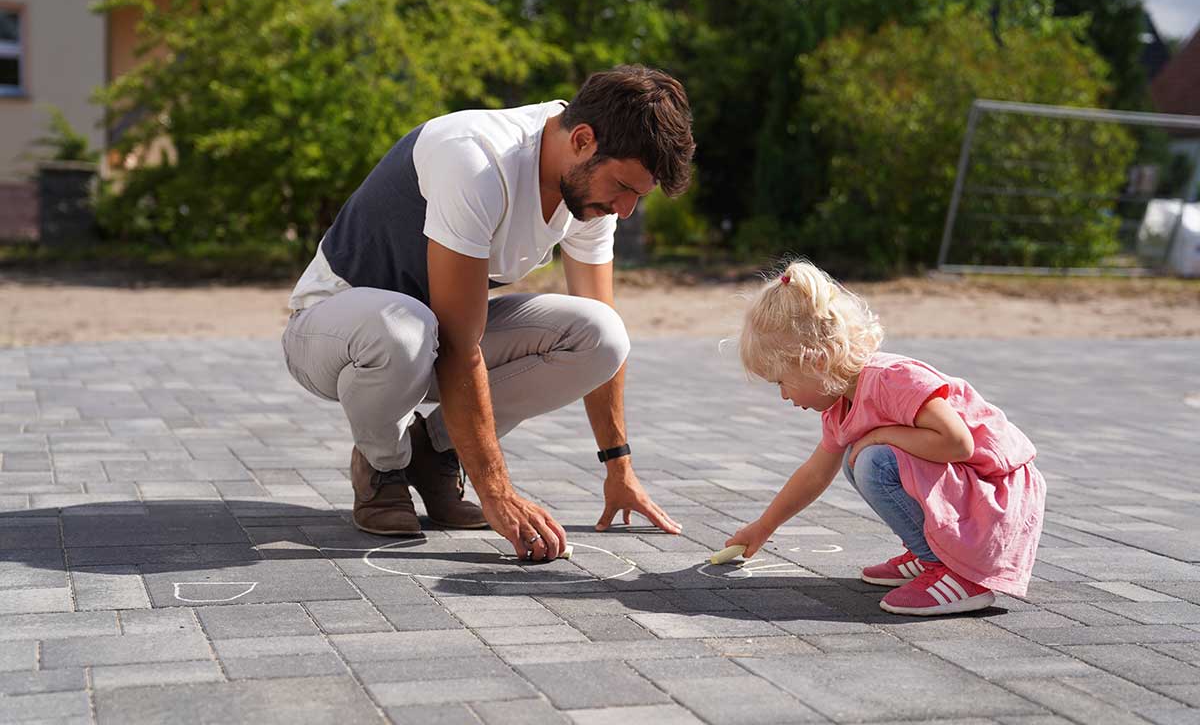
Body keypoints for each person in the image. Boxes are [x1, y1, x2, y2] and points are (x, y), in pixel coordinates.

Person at [281, 65, 693, 560]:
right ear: (583, 140)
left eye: (638, 197)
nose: (625, 210)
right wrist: (496, 491)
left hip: (428, 340)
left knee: (602, 335)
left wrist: (618, 467)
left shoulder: (586, 193)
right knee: (405, 330)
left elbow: (595, 328)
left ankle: (434, 454)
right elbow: (459, 344)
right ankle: (381, 465)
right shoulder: (475, 159)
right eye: (624, 188)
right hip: (332, 332)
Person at [725, 260, 1045, 615]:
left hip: (996, 495)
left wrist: (881, 433)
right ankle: (931, 555)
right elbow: (814, 474)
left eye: (782, 381)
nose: (784, 395)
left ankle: (957, 574)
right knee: (859, 459)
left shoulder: (891, 379)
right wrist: (763, 527)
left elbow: (959, 443)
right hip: (968, 493)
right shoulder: (840, 406)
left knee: (874, 461)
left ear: (815, 361)